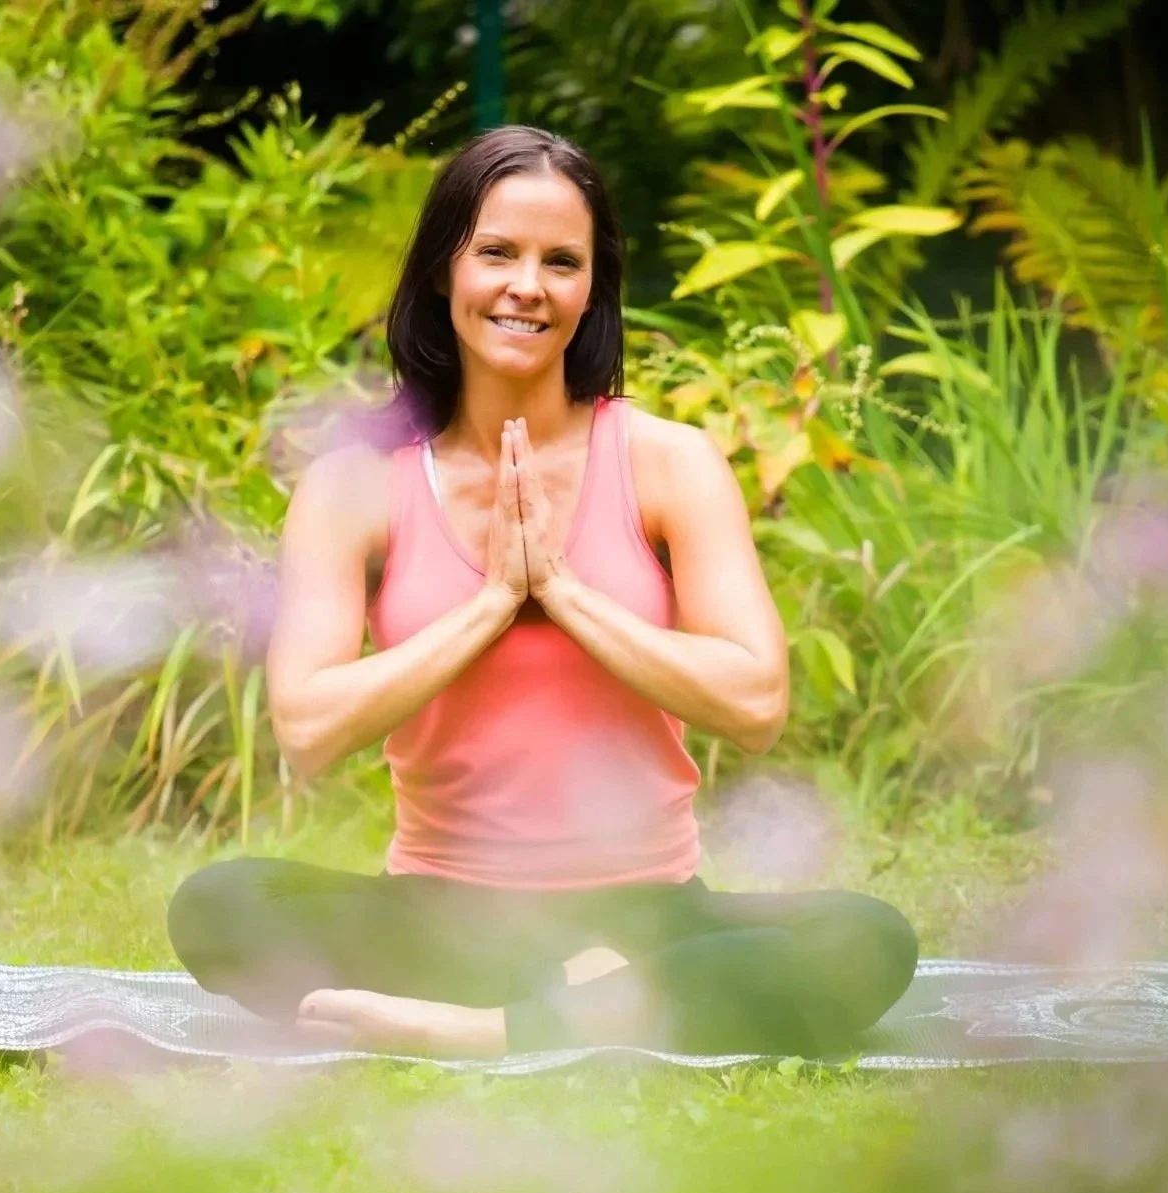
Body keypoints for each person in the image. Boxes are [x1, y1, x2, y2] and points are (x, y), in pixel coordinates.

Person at [166, 125, 917, 1060]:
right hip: (445, 921)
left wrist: (560, 591)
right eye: (497, 253)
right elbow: (308, 729)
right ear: (443, 270)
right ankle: (596, 1002)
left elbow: (756, 705)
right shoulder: (356, 485)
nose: (528, 285)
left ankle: (489, 1027)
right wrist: (491, 605)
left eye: (562, 261)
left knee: (867, 940)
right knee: (220, 905)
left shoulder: (670, 465)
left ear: (593, 288)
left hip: (645, 917)